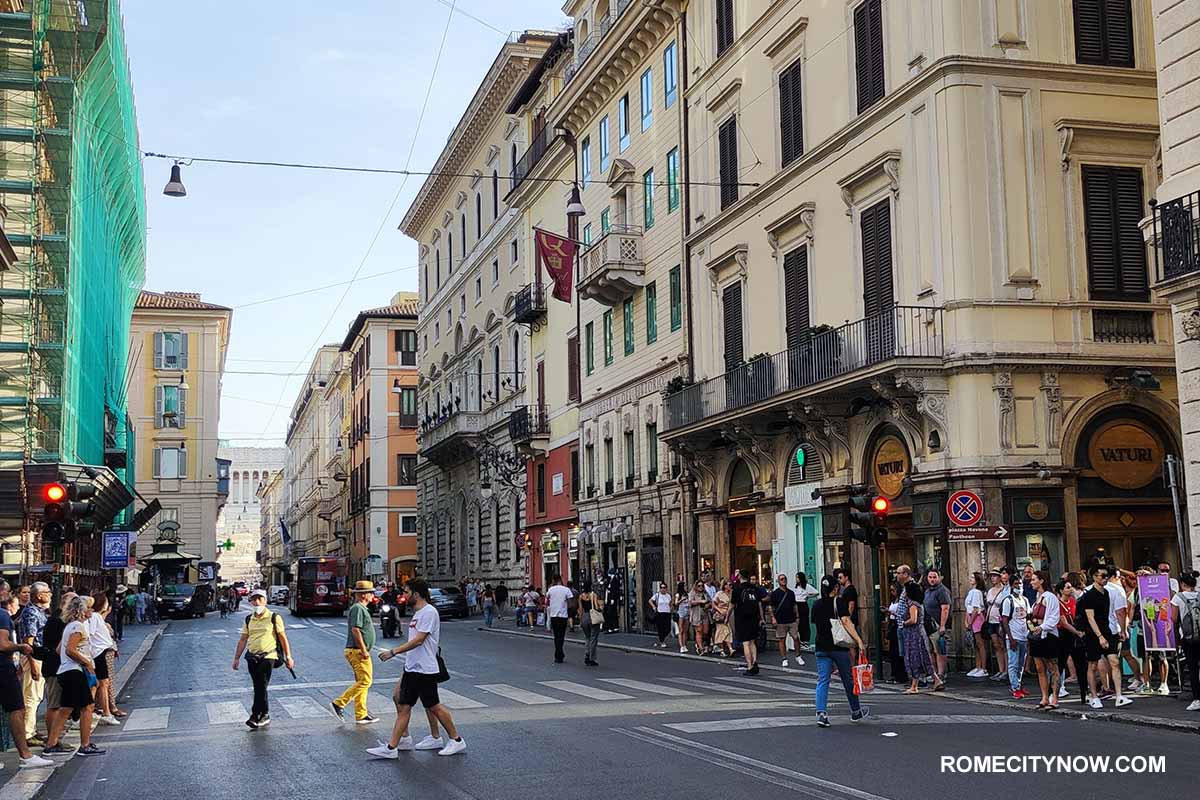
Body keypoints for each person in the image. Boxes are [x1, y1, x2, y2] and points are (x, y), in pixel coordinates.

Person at [367, 579, 465, 758]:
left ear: (416, 594)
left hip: (424, 669)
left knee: (433, 706)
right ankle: (399, 742)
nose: (403, 595)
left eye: (406, 592)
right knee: (400, 699)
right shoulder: (419, 613)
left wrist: (394, 651)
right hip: (413, 667)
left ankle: (456, 740)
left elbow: (419, 640)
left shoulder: (428, 612)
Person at [42, 595, 103, 758]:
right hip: (75, 671)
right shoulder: (78, 627)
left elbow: (59, 650)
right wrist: (87, 662)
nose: (91, 610)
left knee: (65, 709)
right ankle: (85, 744)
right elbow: (70, 650)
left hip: (64, 671)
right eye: (88, 608)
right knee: (87, 707)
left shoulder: (69, 626)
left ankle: (51, 744)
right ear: (81, 611)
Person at [0, 581, 53, 767]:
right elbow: (7, 643)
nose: (10, 594)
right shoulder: (5, 615)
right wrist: (22, 649)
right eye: (7, 590)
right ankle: (26, 751)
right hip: (9, 664)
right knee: (20, 706)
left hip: (14, 662)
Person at [812, 575, 869, 727]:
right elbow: (846, 621)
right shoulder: (839, 602)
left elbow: (816, 625)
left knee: (823, 680)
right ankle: (856, 710)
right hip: (838, 647)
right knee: (847, 679)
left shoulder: (816, 604)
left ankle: (821, 713)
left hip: (821, 646)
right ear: (836, 588)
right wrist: (858, 640)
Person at [232, 589, 294, 729]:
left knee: (261, 684)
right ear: (251, 602)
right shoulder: (249, 619)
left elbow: (283, 638)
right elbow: (243, 639)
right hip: (252, 657)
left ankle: (255, 715)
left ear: (265, 601)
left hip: (268, 656)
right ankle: (264, 714)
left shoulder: (274, 617)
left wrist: (288, 657)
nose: (257, 602)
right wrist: (236, 658)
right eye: (254, 599)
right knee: (259, 686)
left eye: (260, 599)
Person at [1076, 566, 1130, 708]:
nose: (1105, 578)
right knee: (1093, 664)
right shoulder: (1088, 595)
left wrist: (1117, 630)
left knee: (1114, 661)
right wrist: (1099, 636)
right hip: (1094, 633)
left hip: (1108, 631)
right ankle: (1094, 696)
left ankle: (1119, 695)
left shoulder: (1106, 593)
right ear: (1094, 577)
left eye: (1106, 576)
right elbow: (1090, 617)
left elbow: (1114, 613)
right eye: (1102, 576)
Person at [331, 581, 379, 724]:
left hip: (358, 650)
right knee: (365, 681)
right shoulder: (358, 608)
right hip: (357, 651)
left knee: (362, 682)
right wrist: (364, 650)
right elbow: (356, 629)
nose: (373, 595)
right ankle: (339, 703)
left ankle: (361, 714)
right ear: (364, 595)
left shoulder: (361, 608)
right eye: (371, 593)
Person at [17, 581, 51, 745]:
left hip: (38, 656)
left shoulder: (38, 611)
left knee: (36, 696)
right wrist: (33, 664)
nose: (50, 594)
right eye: (47, 592)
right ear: (39, 595)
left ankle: (32, 729)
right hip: (33, 656)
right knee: (31, 696)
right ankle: (27, 733)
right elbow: (28, 641)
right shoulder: (32, 612)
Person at [1027, 570, 1061, 709]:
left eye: (1034, 579)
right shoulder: (1037, 598)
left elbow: (1054, 616)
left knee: (1052, 667)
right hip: (1036, 635)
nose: (1031, 582)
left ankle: (1055, 698)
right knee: (1040, 668)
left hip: (1048, 635)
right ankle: (1044, 697)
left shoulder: (1050, 597)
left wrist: (1043, 627)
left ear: (1041, 581)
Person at [86, 593, 120, 726]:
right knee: (101, 683)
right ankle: (104, 712)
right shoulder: (94, 617)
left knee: (102, 683)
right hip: (98, 653)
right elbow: (90, 634)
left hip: (99, 652)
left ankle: (100, 710)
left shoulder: (97, 617)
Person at [900, 581, 940, 693]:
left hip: (914, 634)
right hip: (918, 633)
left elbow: (913, 619)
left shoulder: (913, 605)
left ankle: (914, 686)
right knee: (923, 657)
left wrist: (904, 623)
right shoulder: (918, 604)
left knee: (915, 657)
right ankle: (936, 680)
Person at [1169, 571, 1200, 711]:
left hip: (1188, 638)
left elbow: (1174, 620)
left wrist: (1175, 641)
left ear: (1182, 584)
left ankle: (1197, 699)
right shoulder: (1199, 595)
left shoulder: (1177, 598)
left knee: (1193, 668)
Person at [999, 573, 1031, 699]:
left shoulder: (1025, 600)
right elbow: (1005, 620)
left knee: (1021, 663)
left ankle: (1018, 683)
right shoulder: (1008, 600)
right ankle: (1015, 687)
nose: (1019, 586)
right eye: (1017, 584)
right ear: (1012, 586)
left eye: (1020, 584)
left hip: (1024, 635)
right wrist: (1010, 638)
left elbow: (1028, 617)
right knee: (1013, 663)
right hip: (1014, 636)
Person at [1057, 577, 1087, 704]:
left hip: (1076, 636)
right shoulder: (1058, 604)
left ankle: (1083, 694)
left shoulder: (1074, 602)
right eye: (1068, 587)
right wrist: (1077, 632)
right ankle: (1054, 692)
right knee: (1060, 665)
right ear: (1061, 591)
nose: (1071, 589)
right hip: (1064, 636)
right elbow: (1063, 622)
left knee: (1081, 665)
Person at [923, 569, 952, 682]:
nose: (932, 579)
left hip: (938, 625)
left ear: (939, 577)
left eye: (934, 577)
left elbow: (945, 608)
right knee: (931, 650)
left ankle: (941, 674)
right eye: (930, 577)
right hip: (928, 625)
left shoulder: (942, 591)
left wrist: (942, 625)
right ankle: (934, 673)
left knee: (939, 650)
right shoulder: (928, 591)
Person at [733, 575, 765, 675]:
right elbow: (759, 604)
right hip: (754, 618)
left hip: (742, 618)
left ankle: (750, 666)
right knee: (752, 641)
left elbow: (732, 605)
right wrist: (762, 618)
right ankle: (755, 661)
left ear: (740, 577)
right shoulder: (754, 588)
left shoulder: (737, 589)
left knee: (745, 643)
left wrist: (727, 617)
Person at [770, 574, 803, 667]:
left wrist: (797, 617)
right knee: (782, 639)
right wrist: (773, 618)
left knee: (796, 638)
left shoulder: (791, 593)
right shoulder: (775, 593)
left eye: (785, 579)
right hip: (780, 620)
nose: (783, 580)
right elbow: (771, 607)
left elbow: (794, 605)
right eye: (781, 579)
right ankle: (784, 658)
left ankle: (798, 655)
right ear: (778, 581)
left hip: (791, 619)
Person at [985, 568, 1011, 680]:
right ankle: (1001, 670)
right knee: (996, 645)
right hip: (991, 619)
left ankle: (1007, 670)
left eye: (995, 576)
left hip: (999, 620)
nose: (993, 578)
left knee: (1003, 645)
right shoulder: (990, 591)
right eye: (992, 576)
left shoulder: (1005, 590)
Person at [545, 575, 573, 664]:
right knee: (561, 636)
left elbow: (547, 599)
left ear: (554, 580)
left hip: (554, 615)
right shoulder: (566, 590)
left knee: (556, 636)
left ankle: (558, 654)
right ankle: (559, 653)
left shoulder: (551, 589)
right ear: (561, 580)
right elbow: (571, 602)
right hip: (563, 616)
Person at [964, 572, 988, 677]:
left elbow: (975, 608)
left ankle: (983, 668)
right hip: (971, 617)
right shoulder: (972, 592)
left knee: (980, 643)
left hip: (976, 618)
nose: (971, 579)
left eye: (973, 577)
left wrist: (970, 622)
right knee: (976, 644)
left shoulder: (977, 592)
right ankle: (978, 666)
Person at [834, 569, 859, 665]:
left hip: (850, 620)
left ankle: (853, 665)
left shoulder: (850, 590)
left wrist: (847, 619)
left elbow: (851, 606)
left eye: (841, 577)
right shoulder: (847, 590)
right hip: (848, 619)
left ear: (846, 577)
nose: (839, 580)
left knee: (851, 644)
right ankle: (851, 665)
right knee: (849, 644)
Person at [579, 581, 603, 666]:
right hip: (592, 617)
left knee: (587, 638)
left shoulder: (581, 596)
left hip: (584, 617)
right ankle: (592, 658)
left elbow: (580, 609)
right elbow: (596, 607)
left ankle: (586, 654)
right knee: (593, 638)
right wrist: (600, 608)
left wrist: (580, 620)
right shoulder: (593, 595)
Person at [793, 572, 818, 651]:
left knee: (805, 623)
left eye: (797, 577)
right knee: (799, 623)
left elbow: (816, 592)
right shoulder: (796, 587)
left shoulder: (806, 586)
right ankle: (801, 642)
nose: (796, 579)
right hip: (797, 605)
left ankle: (806, 642)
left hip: (803, 605)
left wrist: (807, 596)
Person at [711, 580, 734, 658]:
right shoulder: (719, 594)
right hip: (721, 615)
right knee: (723, 631)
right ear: (725, 586)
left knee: (727, 632)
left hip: (730, 614)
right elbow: (713, 603)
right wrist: (719, 609)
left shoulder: (732, 594)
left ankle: (726, 649)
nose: (731, 586)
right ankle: (726, 649)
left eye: (731, 585)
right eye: (729, 585)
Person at [687, 580, 709, 656]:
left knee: (705, 632)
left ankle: (699, 643)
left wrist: (708, 605)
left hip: (705, 614)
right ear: (696, 586)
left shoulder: (705, 593)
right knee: (699, 631)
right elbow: (690, 603)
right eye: (699, 586)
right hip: (696, 614)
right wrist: (700, 601)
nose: (701, 587)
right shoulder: (692, 593)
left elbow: (709, 601)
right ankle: (700, 648)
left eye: (702, 586)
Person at [649, 582, 673, 648]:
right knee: (661, 628)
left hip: (667, 613)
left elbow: (670, 603)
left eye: (664, 588)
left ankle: (661, 639)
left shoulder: (668, 595)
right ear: (660, 589)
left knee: (668, 628)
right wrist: (653, 606)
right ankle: (662, 641)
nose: (663, 589)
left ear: (666, 588)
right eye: (661, 588)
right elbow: (650, 600)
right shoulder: (657, 595)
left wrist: (670, 609)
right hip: (660, 613)